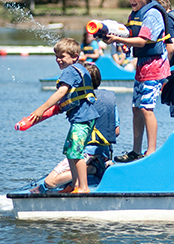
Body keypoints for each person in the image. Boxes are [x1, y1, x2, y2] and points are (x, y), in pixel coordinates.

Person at [103, 0, 171, 162]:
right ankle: (136, 151)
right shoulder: (135, 15)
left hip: (155, 68)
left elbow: (142, 40)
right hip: (142, 68)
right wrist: (115, 38)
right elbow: (130, 36)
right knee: (136, 108)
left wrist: (118, 39)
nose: (132, 0)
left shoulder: (153, 14)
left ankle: (151, 152)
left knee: (147, 109)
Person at [31, 62, 120, 193]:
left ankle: (92, 169)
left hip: (86, 153)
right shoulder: (110, 99)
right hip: (104, 153)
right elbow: (116, 132)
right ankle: (95, 166)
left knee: (49, 182)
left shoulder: (80, 101)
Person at [29, 38, 99, 193]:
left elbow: (61, 92)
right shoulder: (79, 69)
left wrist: (41, 109)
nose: (58, 59)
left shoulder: (69, 71)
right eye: (56, 56)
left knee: (76, 153)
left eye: (62, 56)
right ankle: (74, 185)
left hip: (83, 119)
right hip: (82, 118)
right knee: (70, 151)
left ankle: (83, 187)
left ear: (74, 57)